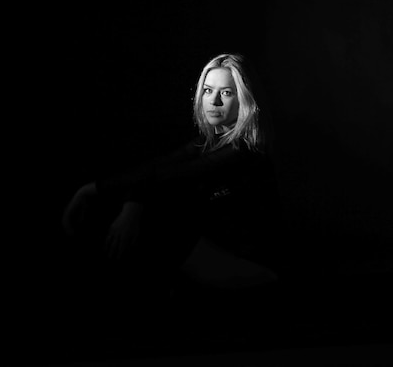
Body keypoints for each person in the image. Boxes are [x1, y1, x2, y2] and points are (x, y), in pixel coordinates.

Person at [62, 53, 280, 325]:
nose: (214, 101)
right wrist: (124, 198)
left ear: (246, 99)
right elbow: (159, 166)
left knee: (155, 222)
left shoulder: (243, 152)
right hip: (213, 254)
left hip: (249, 264)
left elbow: (169, 177)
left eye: (226, 92)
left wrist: (96, 192)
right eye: (208, 91)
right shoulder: (211, 143)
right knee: (146, 216)